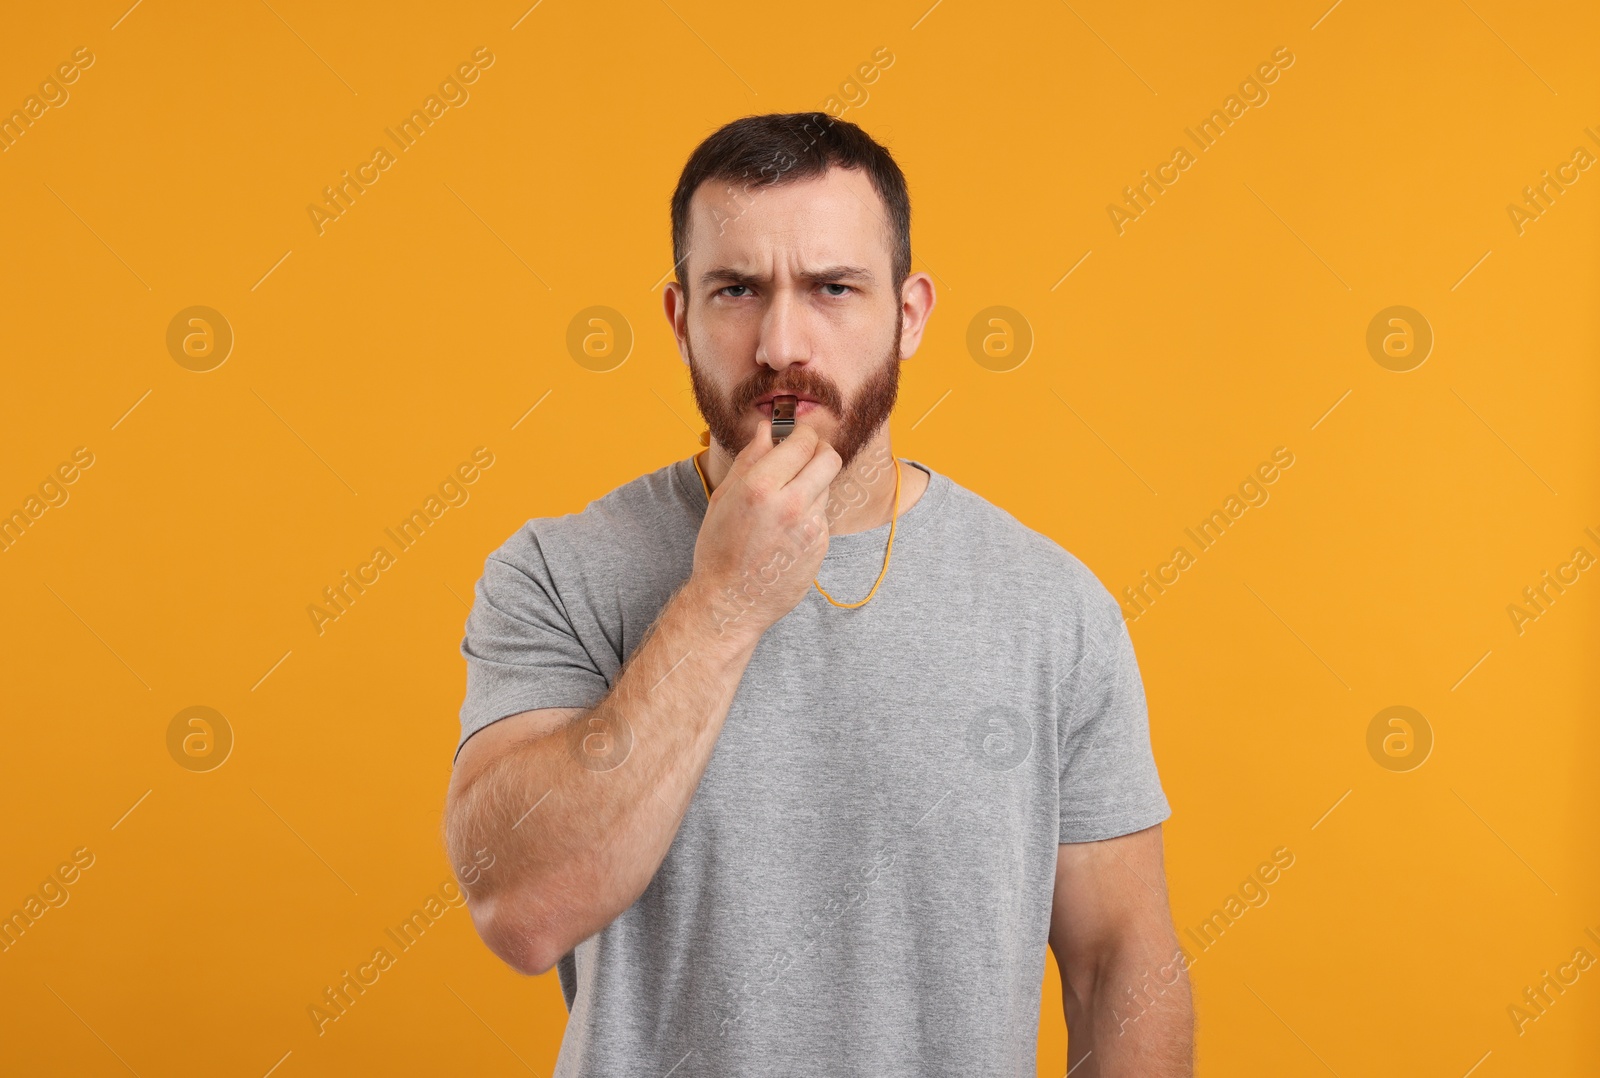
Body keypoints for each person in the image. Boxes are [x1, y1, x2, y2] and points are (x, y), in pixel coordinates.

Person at [442, 111, 1192, 1077]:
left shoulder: (1054, 607)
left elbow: (1117, 962)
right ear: (681, 320)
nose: (781, 343)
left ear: (910, 314)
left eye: (833, 288)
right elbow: (522, 907)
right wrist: (724, 602)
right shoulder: (558, 573)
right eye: (736, 290)